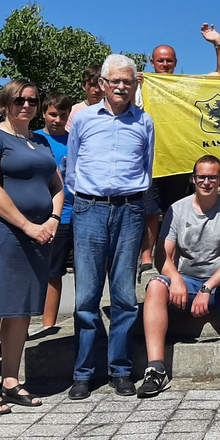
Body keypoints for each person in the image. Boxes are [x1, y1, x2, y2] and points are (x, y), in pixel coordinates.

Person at [66, 54, 155, 400]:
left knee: (124, 296)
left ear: (135, 85)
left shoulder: (144, 122)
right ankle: (83, 373)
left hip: (131, 209)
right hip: (90, 208)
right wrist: (86, 197)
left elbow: (146, 165)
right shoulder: (83, 119)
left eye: (128, 82)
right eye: (115, 81)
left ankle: (120, 370)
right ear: (102, 84)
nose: (121, 87)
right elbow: (72, 168)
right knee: (87, 296)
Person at [0, 80, 63, 414]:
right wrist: (27, 225)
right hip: (1, 233)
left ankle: (11, 379)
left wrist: (52, 219)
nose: (26, 105)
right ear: (6, 102)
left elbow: (56, 184)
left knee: (20, 309)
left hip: (39, 233)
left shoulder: (39, 140)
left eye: (32, 100)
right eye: (19, 100)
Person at [137, 156, 220, 396]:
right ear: (193, 179)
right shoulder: (177, 209)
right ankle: (155, 369)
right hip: (186, 281)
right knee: (156, 286)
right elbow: (162, 256)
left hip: (219, 283)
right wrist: (175, 278)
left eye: (212, 177)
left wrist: (207, 288)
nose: (206, 182)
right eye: (202, 177)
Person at [138, 24, 220, 272]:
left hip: (179, 159)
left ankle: (171, 256)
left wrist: (218, 43)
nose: (165, 65)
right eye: (160, 61)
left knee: (175, 211)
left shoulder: (186, 84)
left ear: (176, 62)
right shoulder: (141, 85)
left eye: (169, 61)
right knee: (150, 212)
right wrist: (131, 81)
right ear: (152, 62)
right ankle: (147, 258)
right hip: (150, 161)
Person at [36, 93, 73, 332]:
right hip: (44, 215)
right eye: (52, 114)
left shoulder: (76, 139)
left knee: (78, 273)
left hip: (76, 213)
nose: (57, 119)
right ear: (43, 114)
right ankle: (44, 326)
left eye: (62, 115)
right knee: (50, 272)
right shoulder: (33, 139)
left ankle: (77, 324)